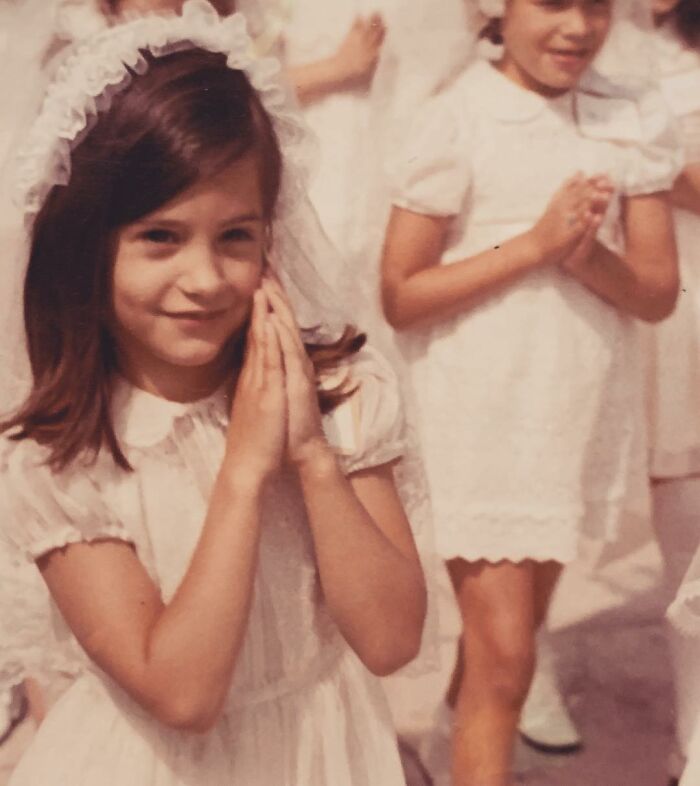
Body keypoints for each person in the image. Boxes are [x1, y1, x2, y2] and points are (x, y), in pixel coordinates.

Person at [0, 3, 428, 783]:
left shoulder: (339, 395)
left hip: (322, 757)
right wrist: (244, 470)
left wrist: (311, 454)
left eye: (236, 236)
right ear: (86, 245)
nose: (203, 279)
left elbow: (393, 640)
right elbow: (184, 694)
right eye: (160, 237)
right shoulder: (63, 456)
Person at [380, 0, 681, 782]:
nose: (578, 27)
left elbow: (657, 292)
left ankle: (445, 750)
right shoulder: (457, 118)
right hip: (480, 411)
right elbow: (402, 294)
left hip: (573, 409)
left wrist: (587, 259)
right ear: (496, 8)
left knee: (504, 641)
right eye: (552, 2)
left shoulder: (630, 115)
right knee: (509, 658)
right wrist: (537, 245)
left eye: (596, 5)